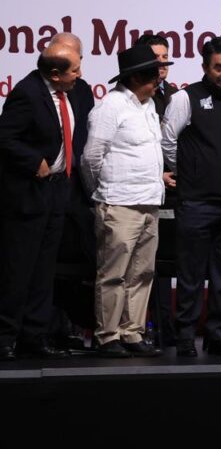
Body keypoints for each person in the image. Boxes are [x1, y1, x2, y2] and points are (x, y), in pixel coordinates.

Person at [0, 38, 93, 359]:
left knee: (44, 270)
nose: (80, 75)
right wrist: (33, 160)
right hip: (28, 195)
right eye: (75, 70)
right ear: (55, 74)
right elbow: (5, 136)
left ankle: (34, 336)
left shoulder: (68, 93)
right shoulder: (27, 93)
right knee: (19, 269)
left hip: (57, 192)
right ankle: (5, 337)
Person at [162, 38, 221, 357]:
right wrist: (189, 173)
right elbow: (167, 141)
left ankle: (218, 334)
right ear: (205, 67)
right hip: (196, 202)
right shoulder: (185, 98)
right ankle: (185, 336)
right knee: (190, 274)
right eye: (219, 67)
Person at [81, 43, 171, 357]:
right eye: (153, 74)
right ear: (134, 77)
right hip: (119, 203)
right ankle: (108, 336)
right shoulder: (111, 106)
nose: (159, 79)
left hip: (149, 202)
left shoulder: (149, 105)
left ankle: (132, 332)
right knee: (113, 274)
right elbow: (91, 158)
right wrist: (101, 192)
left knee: (142, 273)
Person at [139, 33, 179, 347]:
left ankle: (167, 327)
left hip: (176, 191)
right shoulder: (133, 97)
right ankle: (142, 328)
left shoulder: (177, 96)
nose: (162, 64)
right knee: (143, 264)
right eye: (156, 57)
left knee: (167, 259)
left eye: (166, 57)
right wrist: (157, 174)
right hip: (143, 190)